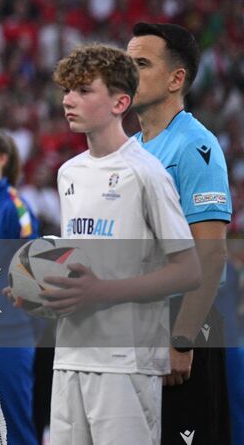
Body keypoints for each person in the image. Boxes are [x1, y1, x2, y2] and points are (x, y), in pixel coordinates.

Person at [37, 44, 201, 444]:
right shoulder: (67, 172)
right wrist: (42, 289)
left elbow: (188, 269)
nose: (69, 100)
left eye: (83, 90)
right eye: (67, 91)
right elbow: (81, 263)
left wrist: (100, 290)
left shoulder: (146, 172)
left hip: (126, 361)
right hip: (70, 355)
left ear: (120, 102)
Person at [126, 22, 233, 444]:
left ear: (176, 78)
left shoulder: (194, 146)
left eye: (141, 63)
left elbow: (210, 254)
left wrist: (183, 341)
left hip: (181, 323)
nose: (127, 72)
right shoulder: (131, 148)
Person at [0, 129, 39, 445]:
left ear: (2, 159)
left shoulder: (15, 207)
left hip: (8, 336)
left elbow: (35, 261)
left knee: (13, 429)